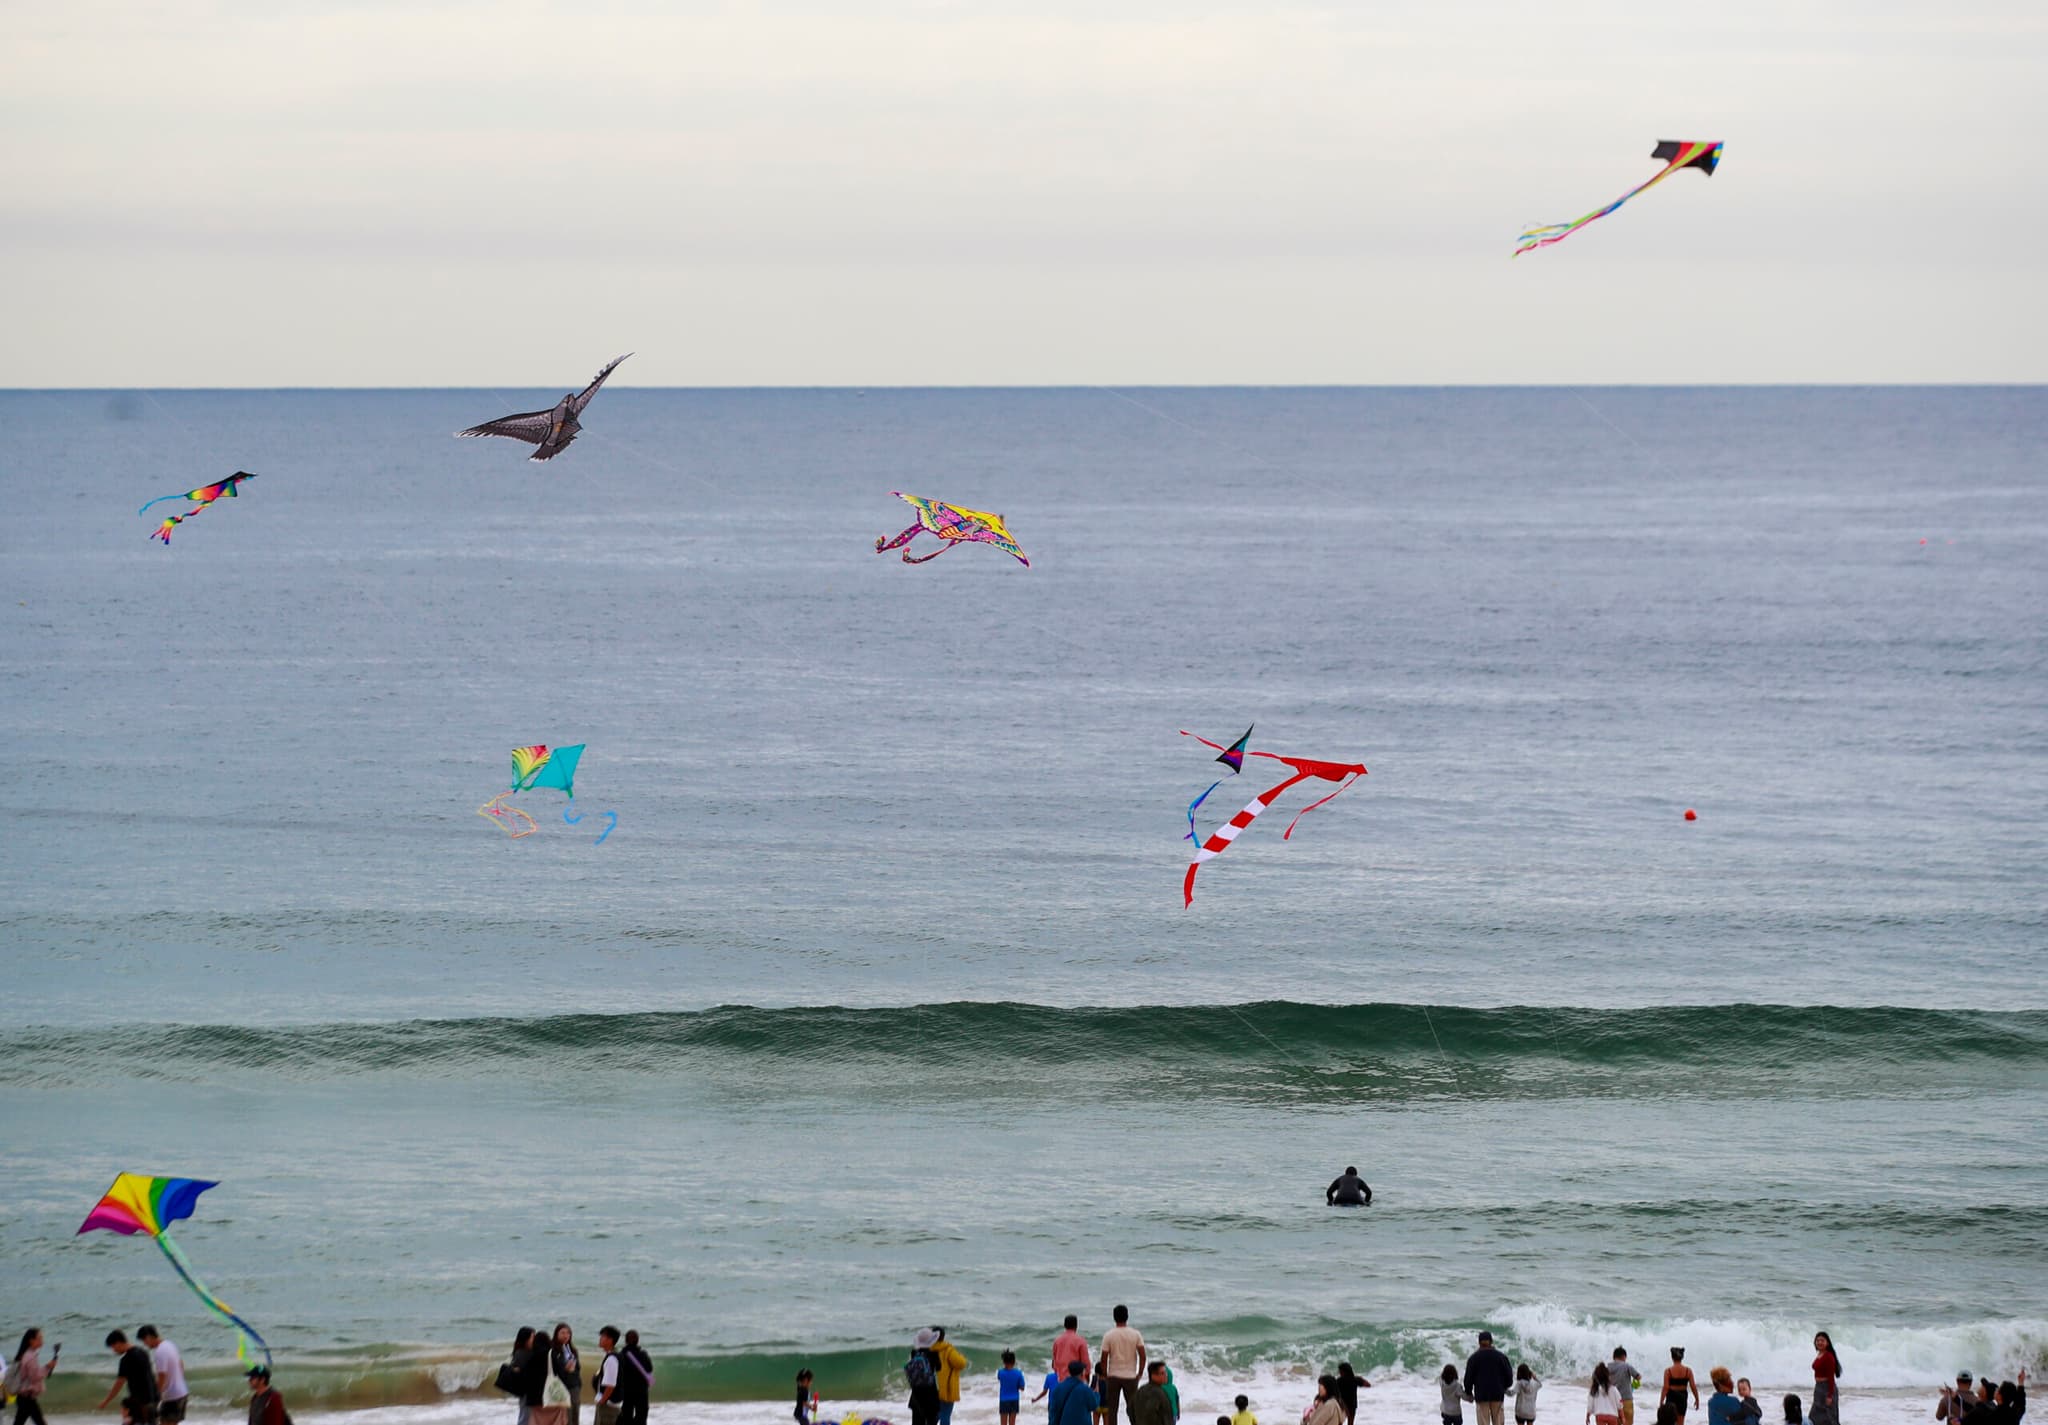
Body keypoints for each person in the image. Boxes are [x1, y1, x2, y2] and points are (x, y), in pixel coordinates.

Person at [1098, 1307, 1147, 1425]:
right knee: (1134, 1409)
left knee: (1112, 1410)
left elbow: (1104, 1358)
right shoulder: (1135, 1334)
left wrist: (1104, 1375)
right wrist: (1139, 1373)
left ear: (1114, 1317)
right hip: (1130, 1376)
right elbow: (1142, 1355)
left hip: (1113, 1376)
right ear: (1127, 1316)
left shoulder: (1109, 1335)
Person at [98, 1332, 159, 1425]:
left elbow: (119, 1383)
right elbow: (150, 1375)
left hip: (140, 1402)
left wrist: (106, 1401)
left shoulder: (126, 1359)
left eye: (113, 1347)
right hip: (153, 1397)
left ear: (118, 1343)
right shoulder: (143, 1352)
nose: (114, 1351)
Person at [7, 1331, 57, 1425]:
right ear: (31, 1341)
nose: (42, 1340)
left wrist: (48, 1367)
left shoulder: (26, 1354)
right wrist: (48, 1367)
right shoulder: (30, 1357)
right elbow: (35, 1377)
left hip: (24, 1397)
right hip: (27, 1398)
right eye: (40, 1338)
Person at [1465, 1332, 1515, 1425]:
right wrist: (1504, 1387)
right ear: (1491, 1342)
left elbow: (1468, 1379)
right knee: (1498, 1422)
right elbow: (1509, 1376)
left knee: (1483, 1422)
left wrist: (1469, 1392)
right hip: (1497, 1393)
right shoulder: (1501, 1357)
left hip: (1481, 1395)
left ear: (1479, 1343)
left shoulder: (1473, 1358)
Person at [930, 1328, 968, 1425]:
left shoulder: (928, 1349)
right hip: (946, 1388)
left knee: (934, 1415)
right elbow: (961, 1363)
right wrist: (961, 1356)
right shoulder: (948, 1350)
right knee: (945, 1415)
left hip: (931, 1387)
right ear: (943, 1336)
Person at [615, 1331, 653, 1425]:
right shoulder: (643, 1354)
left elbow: (618, 1373)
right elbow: (649, 1369)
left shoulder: (621, 1355)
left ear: (626, 1341)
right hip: (641, 1390)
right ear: (638, 1341)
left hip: (627, 1390)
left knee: (626, 1415)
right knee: (641, 1416)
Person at [907, 1330, 942, 1425]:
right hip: (930, 1392)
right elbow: (939, 1368)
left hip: (916, 1393)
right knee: (932, 1420)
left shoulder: (913, 1353)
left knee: (917, 1421)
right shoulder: (934, 1354)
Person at [590, 1328, 621, 1425]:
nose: (600, 1339)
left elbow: (610, 1385)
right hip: (611, 1403)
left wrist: (602, 1401)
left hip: (608, 1405)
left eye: (602, 1336)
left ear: (610, 1340)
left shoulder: (611, 1359)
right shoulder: (615, 1355)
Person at [553, 1326, 583, 1425]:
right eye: (563, 1333)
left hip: (574, 1386)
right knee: (565, 1418)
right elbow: (553, 1370)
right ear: (556, 1334)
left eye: (568, 1333)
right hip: (561, 1388)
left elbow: (578, 1368)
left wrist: (579, 1383)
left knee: (575, 1415)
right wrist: (565, 1369)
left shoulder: (573, 1350)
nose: (566, 1335)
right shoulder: (553, 1351)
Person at [1809, 1334, 1841, 1425]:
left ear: (1827, 1343)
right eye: (1817, 1340)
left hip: (1827, 1388)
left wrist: (1830, 1395)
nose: (1819, 1342)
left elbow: (1831, 1377)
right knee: (1815, 1417)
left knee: (1830, 1417)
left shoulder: (1828, 1356)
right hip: (1819, 1388)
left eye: (1822, 1340)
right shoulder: (1820, 1354)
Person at [1661, 1351, 1698, 1420]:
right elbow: (1693, 1386)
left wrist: (1661, 1401)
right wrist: (1697, 1399)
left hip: (1671, 1396)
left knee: (1670, 1421)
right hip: (1682, 1396)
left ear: (1672, 1357)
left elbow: (1666, 1387)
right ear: (1682, 1357)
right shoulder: (1688, 1371)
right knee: (1681, 1421)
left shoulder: (1668, 1371)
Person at [1054, 1319, 1093, 1385]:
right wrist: (1087, 1377)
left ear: (1064, 1325)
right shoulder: (1081, 1341)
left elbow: (1055, 1363)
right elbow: (1085, 1362)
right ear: (1076, 1326)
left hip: (1062, 1380)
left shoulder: (1057, 1341)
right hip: (1077, 1381)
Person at [1611, 1352, 1642, 1425]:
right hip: (1626, 1400)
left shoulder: (1608, 1367)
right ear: (1624, 1357)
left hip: (1612, 1401)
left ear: (1614, 1357)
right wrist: (1635, 1383)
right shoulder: (1627, 1366)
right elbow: (1638, 1377)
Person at [999, 1352, 1026, 1425]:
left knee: (1003, 1423)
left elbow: (1000, 1380)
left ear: (1004, 1362)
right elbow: (1022, 1388)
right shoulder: (1018, 1373)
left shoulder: (1000, 1372)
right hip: (1014, 1400)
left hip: (1003, 1400)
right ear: (1014, 1362)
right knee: (1012, 1423)